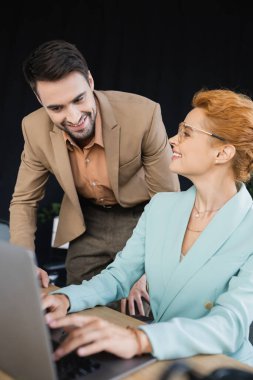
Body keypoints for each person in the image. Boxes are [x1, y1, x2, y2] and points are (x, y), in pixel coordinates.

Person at [42, 88, 253, 365]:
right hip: (163, 358)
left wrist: (140, 339)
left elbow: (230, 325)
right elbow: (118, 278)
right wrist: (66, 299)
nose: (172, 140)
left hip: (222, 366)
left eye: (187, 133)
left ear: (223, 153)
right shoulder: (161, 207)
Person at [9, 40, 179, 315]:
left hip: (144, 219)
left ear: (90, 81)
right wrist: (24, 263)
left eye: (79, 99)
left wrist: (149, 269)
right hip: (86, 222)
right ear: (40, 101)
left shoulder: (143, 114)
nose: (74, 117)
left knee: (140, 312)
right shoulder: (33, 128)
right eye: (57, 108)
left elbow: (168, 200)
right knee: (75, 306)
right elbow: (24, 200)